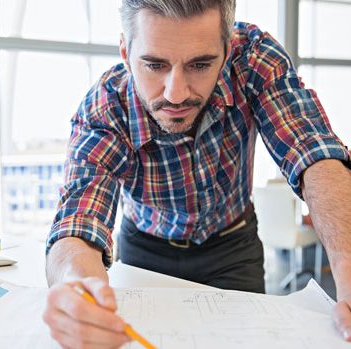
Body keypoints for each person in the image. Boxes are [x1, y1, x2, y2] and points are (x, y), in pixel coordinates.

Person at [42, 0, 351, 347]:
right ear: (126, 51)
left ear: (227, 49)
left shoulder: (253, 60)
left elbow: (314, 153)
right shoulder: (106, 108)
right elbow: (77, 223)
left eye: (201, 64)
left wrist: (347, 267)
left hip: (233, 245)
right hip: (145, 248)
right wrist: (75, 288)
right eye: (154, 65)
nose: (176, 94)